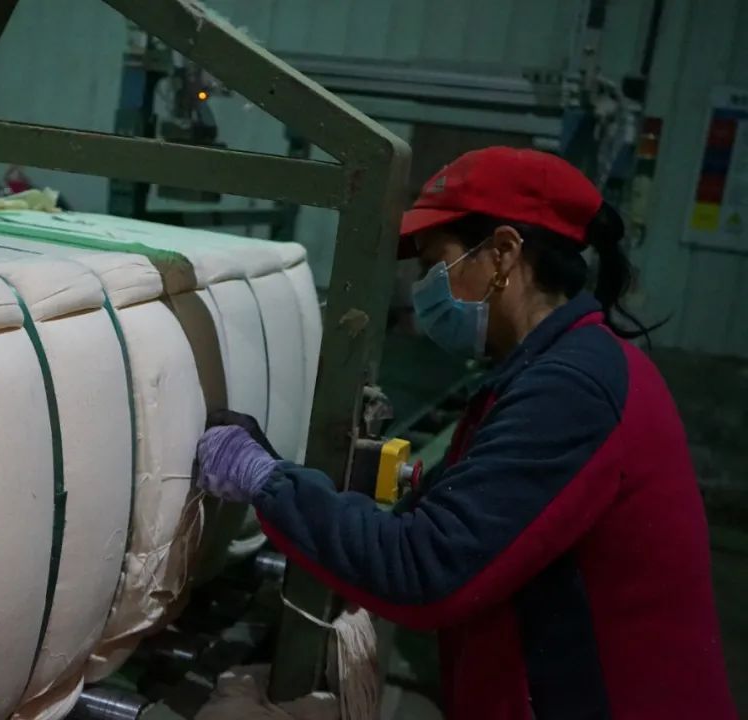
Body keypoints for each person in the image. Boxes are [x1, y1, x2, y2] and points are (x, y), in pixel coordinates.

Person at [196, 147, 736, 720]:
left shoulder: (571, 390)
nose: (422, 289)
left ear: (503, 252)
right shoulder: (550, 370)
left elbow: (422, 568)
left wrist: (266, 481)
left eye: (436, 263)